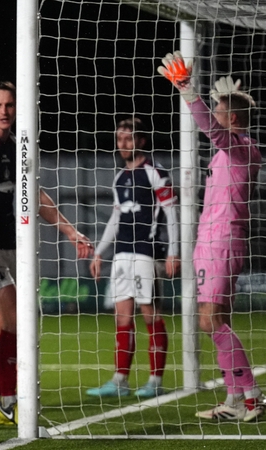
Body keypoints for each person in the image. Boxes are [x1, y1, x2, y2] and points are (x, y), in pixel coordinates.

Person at [0, 82, 93, 426]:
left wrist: (71, 231)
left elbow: (38, 196)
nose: (4, 111)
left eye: (10, 105)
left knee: (3, 325)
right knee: (16, 319)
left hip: (10, 243)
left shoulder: (17, 146)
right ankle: (11, 401)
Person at [159, 52, 264, 421]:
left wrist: (190, 92)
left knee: (210, 320)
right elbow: (218, 130)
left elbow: (213, 129)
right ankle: (236, 400)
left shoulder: (240, 147)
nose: (215, 114)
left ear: (231, 118)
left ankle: (251, 397)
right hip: (211, 240)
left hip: (223, 240)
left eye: (221, 109)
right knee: (214, 320)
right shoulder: (230, 151)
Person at [86, 117, 180, 398]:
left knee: (150, 315)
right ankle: (120, 380)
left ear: (141, 141)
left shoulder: (156, 173)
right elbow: (116, 218)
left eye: (128, 138)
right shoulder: (119, 177)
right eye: (119, 139)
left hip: (146, 253)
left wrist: (174, 251)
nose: (123, 144)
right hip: (122, 254)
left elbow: (172, 214)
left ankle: (155, 381)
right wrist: (99, 253)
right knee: (122, 317)